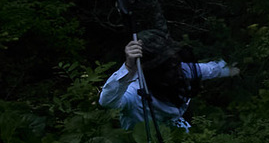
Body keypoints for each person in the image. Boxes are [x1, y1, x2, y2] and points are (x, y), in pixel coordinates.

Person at [99, 30, 240, 131]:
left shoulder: (179, 70)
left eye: (173, 62)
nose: (174, 70)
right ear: (153, 70)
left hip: (176, 134)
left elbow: (210, 69)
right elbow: (107, 102)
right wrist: (129, 67)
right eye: (165, 66)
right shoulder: (135, 91)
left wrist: (233, 69)